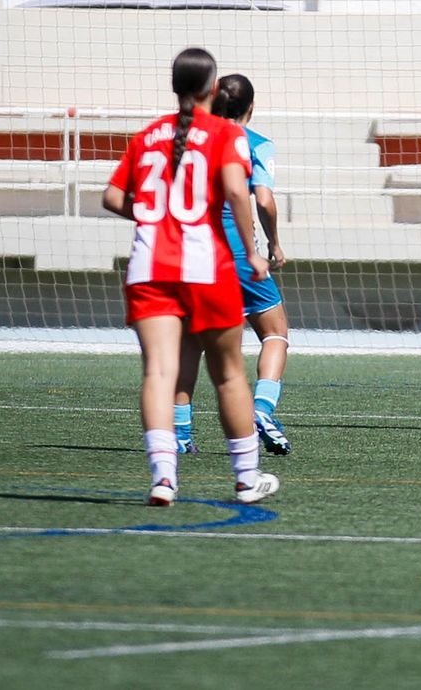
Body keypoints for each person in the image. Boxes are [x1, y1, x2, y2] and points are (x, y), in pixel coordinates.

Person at [101, 48, 279, 506]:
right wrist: (254, 252)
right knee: (229, 375)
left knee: (159, 372)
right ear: (211, 89)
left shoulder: (146, 136)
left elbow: (111, 197)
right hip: (206, 266)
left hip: (148, 267)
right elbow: (239, 193)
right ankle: (245, 478)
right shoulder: (225, 133)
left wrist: (152, 216)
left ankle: (163, 477)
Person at [173, 74, 292, 457]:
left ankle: (179, 432)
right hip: (238, 253)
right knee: (275, 331)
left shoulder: (188, 138)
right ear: (251, 108)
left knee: (192, 342)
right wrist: (273, 242)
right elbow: (264, 200)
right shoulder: (255, 143)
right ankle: (262, 410)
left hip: (192, 250)